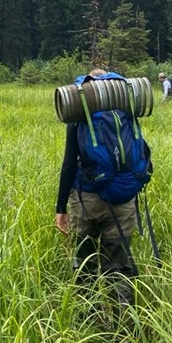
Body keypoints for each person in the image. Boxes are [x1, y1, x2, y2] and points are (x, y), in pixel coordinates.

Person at [55, 69, 138, 312]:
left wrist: (61, 208)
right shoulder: (128, 112)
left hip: (87, 200)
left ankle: (87, 322)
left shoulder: (81, 115)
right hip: (123, 200)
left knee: (85, 263)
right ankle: (125, 326)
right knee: (119, 265)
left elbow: (69, 164)